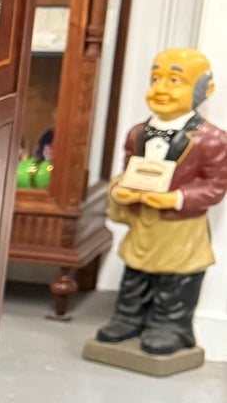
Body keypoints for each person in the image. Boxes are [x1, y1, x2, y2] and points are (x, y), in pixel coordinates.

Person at [95, 47, 227, 355]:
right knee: (136, 272)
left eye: (175, 81)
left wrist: (176, 198)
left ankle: (171, 325)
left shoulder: (212, 140)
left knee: (176, 279)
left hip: (180, 227)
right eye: (156, 78)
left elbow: (216, 187)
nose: (162, 88)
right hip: (144, 221)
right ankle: (129, 317)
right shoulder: (137, 133)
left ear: (204, 90)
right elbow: (127, 171)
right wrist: (121, 191)